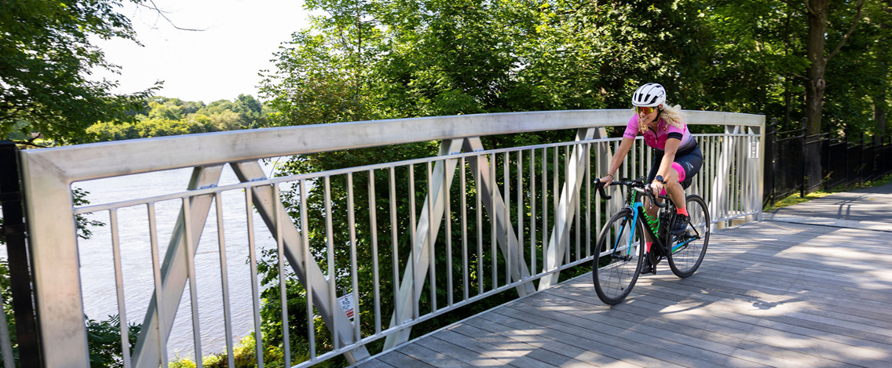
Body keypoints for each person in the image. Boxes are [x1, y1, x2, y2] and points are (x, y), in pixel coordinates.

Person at [597, 83, 703, 274]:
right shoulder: (637, 120)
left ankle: (682, 214)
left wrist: (658, 180)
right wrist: (610, 174)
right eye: (639, 108)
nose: (642, 113)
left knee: (668, 179)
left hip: (686, 155)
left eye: (646, 109)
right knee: (649, 207)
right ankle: (650, 253)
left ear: (659, 107)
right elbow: (622, 149)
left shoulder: (673, 121)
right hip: (661, 156)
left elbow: (670, 154)